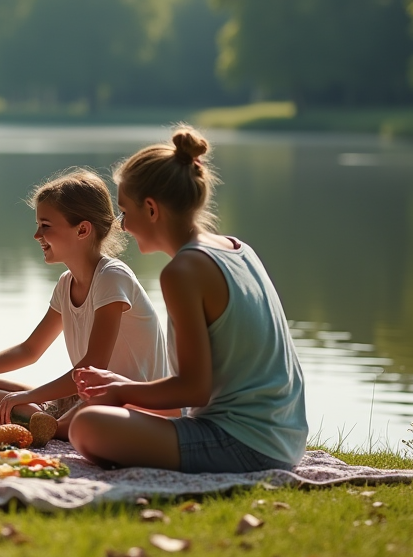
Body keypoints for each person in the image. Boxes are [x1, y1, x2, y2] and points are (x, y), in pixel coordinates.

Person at [69, 126, 308, 472]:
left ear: (151, 209)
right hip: (287, 439)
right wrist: (126, 386)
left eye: (124, 212)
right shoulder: (238, 249)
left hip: (245, 445)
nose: (121, 225)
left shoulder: (183, 271)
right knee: (99, 419)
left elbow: (195, 389)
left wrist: (123, 392)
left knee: (88, 425)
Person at [0, 169, 169, 448]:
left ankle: (51, 426)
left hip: (126, 401)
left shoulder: (112, 277)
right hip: (85, 396)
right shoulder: (66, 284)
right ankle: (46, 423)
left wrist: (25, 398)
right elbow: (30, 350)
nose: (37, 234)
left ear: (82, 230)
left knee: (92, 412)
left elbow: (93, 366)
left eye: (46, 225)